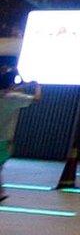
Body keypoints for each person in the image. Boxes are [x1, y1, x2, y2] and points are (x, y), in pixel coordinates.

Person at [0, 74, 42, 203]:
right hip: (3, 138)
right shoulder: (11, 98)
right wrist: (37, 85)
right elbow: (36, 98)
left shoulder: (9, 96)